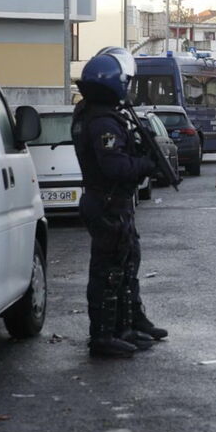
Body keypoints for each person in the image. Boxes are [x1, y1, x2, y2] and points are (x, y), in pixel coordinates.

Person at [72, 49, 165, 359]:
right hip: (107, 203)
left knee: (125, 265)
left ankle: (125, 326)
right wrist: (144, 165)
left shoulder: (100, 115)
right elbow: (116, 168)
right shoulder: (102, 123)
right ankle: (103, 335)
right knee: (108, 271)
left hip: (112, 202)